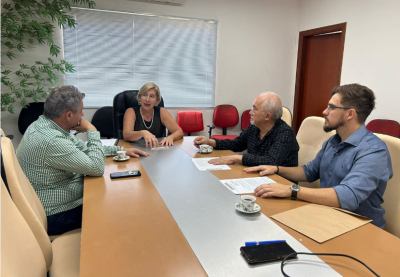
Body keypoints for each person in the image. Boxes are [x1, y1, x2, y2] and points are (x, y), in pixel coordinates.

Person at [244, 84, 393, 228]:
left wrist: (292, 190)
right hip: (326, 217)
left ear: (350, 114)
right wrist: (276, 169)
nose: (324, 112)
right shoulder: (333, 141)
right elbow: (309, 171)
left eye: (331, 107)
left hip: (358, 227)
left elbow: (347, 196)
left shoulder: (374, 151)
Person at [16, 85, 149, 235]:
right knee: (118, 207)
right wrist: (92, 131)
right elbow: (96, 168)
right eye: (80, 112)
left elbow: (83, 149)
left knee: (115, 193)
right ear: (68, 115)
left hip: (56, 199)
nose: (83, 115)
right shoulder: (52, 140)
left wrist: (121, 150)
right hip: (53, 215)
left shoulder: (44, 126)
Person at [194, 92, 299, 167]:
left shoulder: (285, 133)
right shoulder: (254, 126)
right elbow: (237, 144)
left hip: (281, 183)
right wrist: (209, 142)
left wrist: (237, 158)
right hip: (258, 176)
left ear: (267, 116)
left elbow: (271, 161)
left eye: (254, 109)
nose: (250, 112)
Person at [123, 82, 183, 147]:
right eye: (144, 95)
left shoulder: (162, 112)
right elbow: (126, 135)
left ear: (156, 100)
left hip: (158, 149)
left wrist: (171, 137)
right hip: (136, 149)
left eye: (151, 96)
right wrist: (142, 133)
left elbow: (179, 131)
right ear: (140, 97)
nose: (147, 99)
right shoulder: (131, 111)